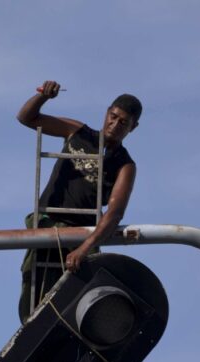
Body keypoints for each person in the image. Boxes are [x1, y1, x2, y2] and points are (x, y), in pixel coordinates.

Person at [15, 80, 140, 321]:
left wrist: (84, 248)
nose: (115, 125)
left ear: (133, 128)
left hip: (82, 235)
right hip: (47, 224)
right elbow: (26, 118)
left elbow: (114, 213)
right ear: (107, 113)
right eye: (113, 117)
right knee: (33, 298)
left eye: (123, 122)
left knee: (80, 299)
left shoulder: (124, 164)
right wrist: (42, 96)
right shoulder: (78, 132)